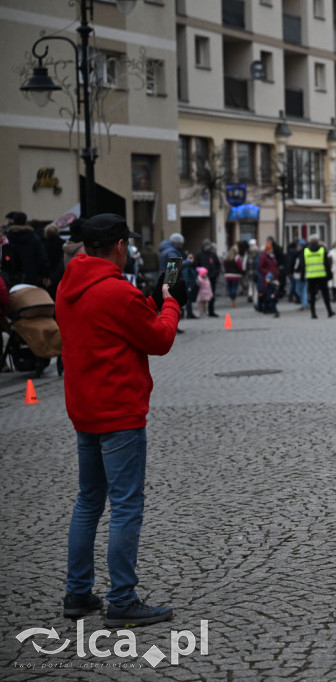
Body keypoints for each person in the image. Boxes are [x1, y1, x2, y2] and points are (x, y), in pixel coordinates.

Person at [56, 213, 187, 627]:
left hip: (84, 409)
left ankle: (77, 593)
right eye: (126, 244)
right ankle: (122, 599)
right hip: (120, 411)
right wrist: (169, 302)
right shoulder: (115, 291)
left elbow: (116, 330)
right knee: (126, 506)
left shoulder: (68, 286)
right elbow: (160, 338)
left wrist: (146, 303)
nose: (129, 250)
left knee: (88, 501)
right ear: (117, 246)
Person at [1, 211, 49, 288]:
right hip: (31, 275)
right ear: (25, 221)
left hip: (11, 276)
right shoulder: (34, 237)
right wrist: (45, 274)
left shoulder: (7, 237)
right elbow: (42, 257)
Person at [300, 235, 334, 319]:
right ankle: (329, 311)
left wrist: (302, 276)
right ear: (318, 241)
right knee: (325, 295)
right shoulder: (322, 250)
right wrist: (329, 275)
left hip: (311, 276)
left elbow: (302, 265)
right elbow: (327, 264)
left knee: (312, 295)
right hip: (322, 275)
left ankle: (313, 313)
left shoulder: (306, 251)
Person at [195, 240, 221, 317]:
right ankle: (202, 311)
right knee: (203, 295)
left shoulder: (213, 254)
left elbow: (217, 264)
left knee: (211, 294)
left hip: (212, 277)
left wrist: (216, 273)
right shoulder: (199, 255)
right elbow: (196, 265)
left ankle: (211, 311)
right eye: (207, 245)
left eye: (209, 245)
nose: (209, 247)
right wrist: (201, 274)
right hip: (203, 279)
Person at [223, 241, 244, 307]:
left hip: (228, 275)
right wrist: (241, 271)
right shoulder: (237, 257)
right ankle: (233, 300)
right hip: (235, 275)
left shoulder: (227, 257)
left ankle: (231, 299)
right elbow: (240, 266)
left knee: (230, 288)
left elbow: (224, 265)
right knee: (234, 288)